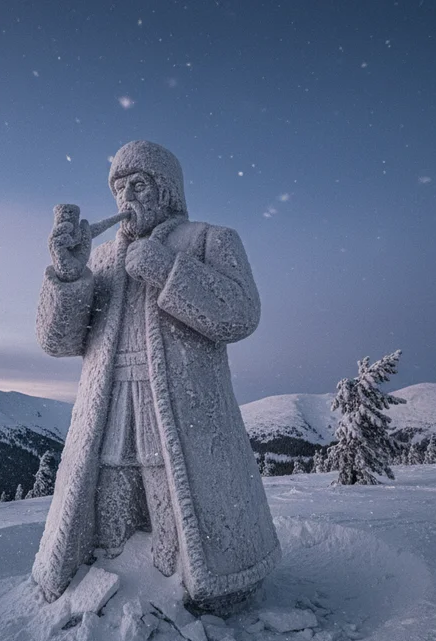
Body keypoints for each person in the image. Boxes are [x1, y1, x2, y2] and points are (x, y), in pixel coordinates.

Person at [32, 140, 279, 611]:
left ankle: (175, 590)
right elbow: (57, 341)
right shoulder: (100, 259)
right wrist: (68, 275)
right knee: (110, 499)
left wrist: (167, 270)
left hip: (181, 410)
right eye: (119, 189)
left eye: (138, 186)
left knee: (175, 502)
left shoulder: (209, 240)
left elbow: (240, 314)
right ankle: (112, 584)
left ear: (166, 191)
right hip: (108, 403)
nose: (126, 198)